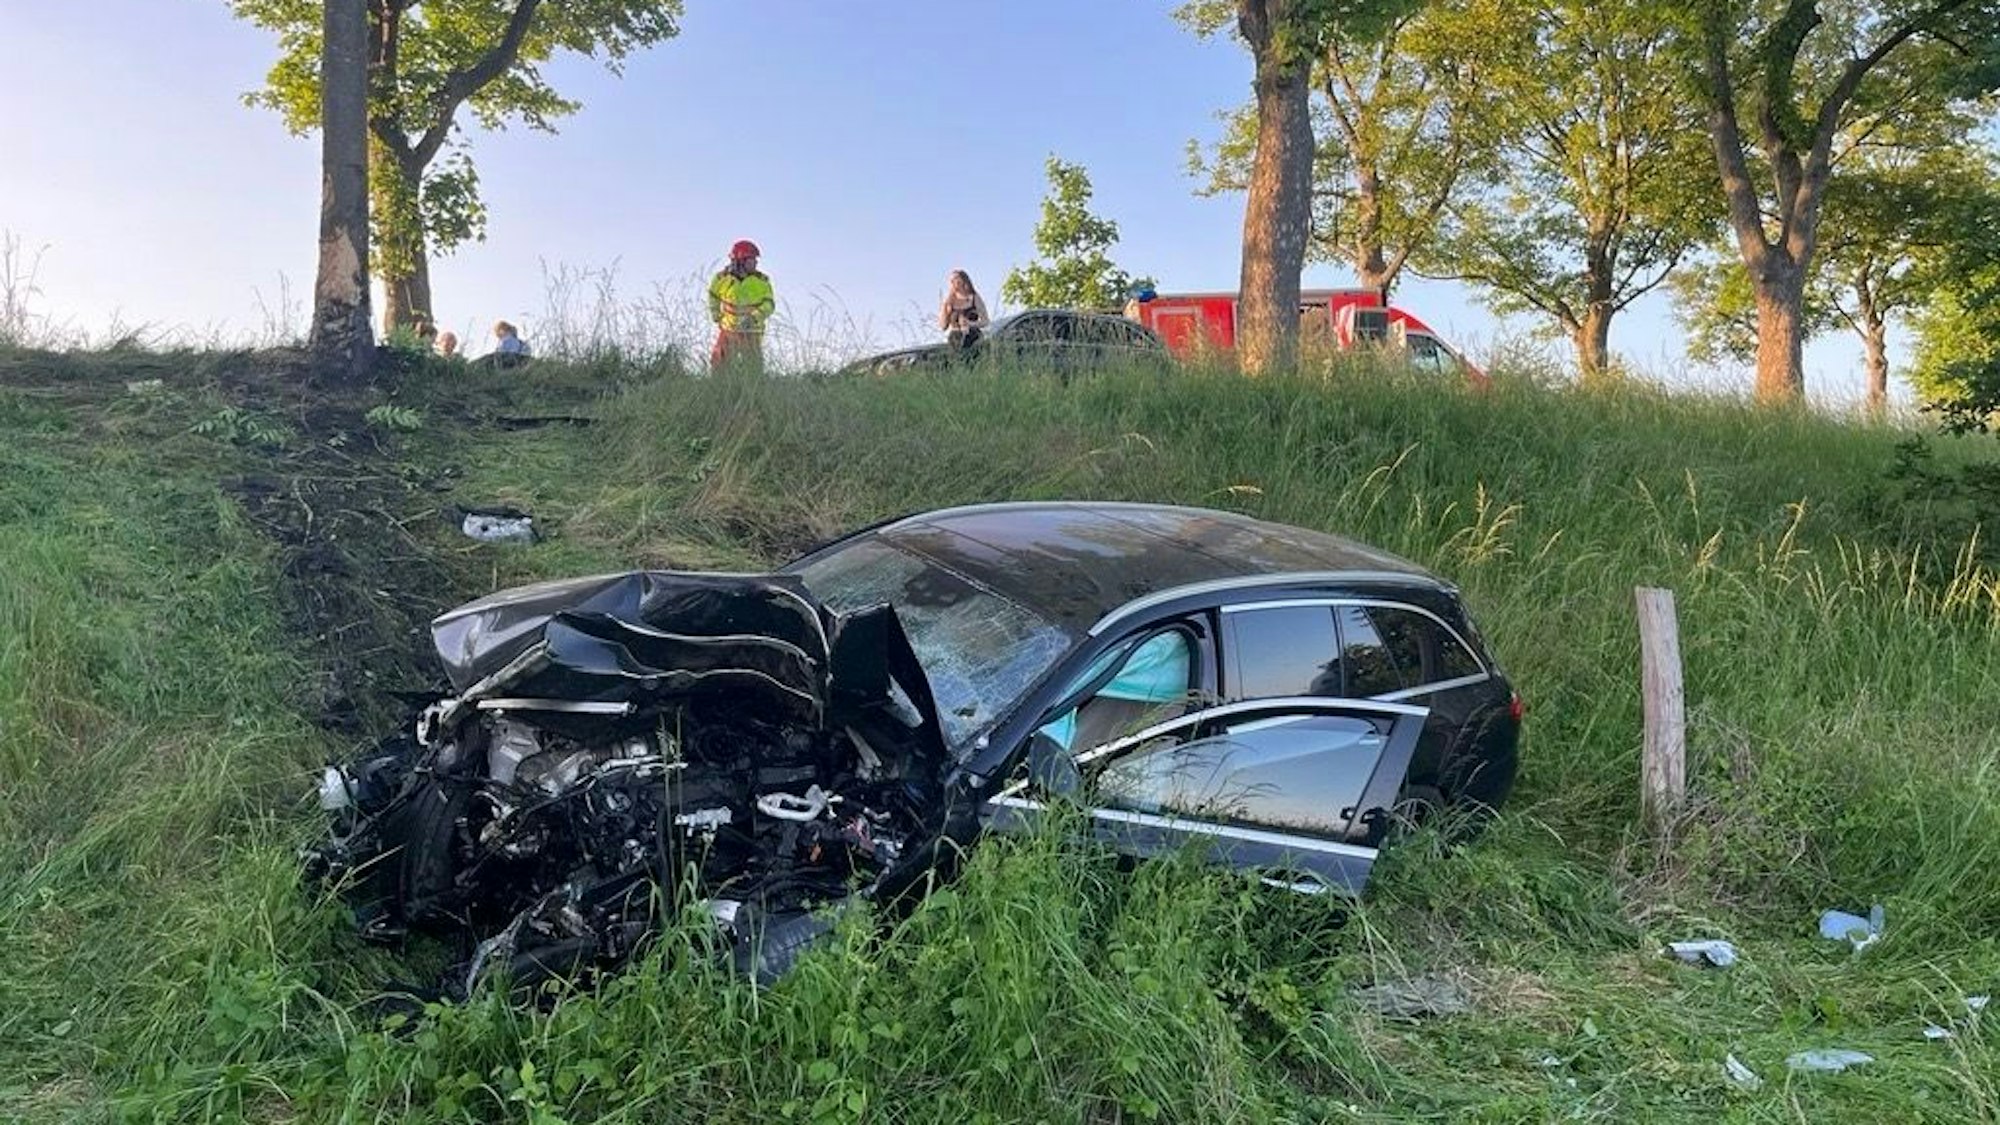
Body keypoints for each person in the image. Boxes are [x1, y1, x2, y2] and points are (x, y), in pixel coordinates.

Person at [708, 240, 775, 376]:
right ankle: (717, 390)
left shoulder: (762, 281)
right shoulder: (721, 278)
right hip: (727, 330)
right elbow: (712, 295)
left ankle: (754, 395)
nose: (756, 263)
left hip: (751, 331)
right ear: (740, 260)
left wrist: (754, 317)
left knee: (753, 370)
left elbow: (769, 304)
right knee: (719, 364)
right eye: (752, 259)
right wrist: (716, 315)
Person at [938, 269, 989, 349]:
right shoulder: (949, 301)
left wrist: (970, 323)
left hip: (973, 338)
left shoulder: (974, 297)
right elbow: (943, 326)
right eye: (951, 280)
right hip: (955, 340)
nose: (953, 282)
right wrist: (945, 306)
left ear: (963, 280)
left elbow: (986, 321)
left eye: (955, 278)